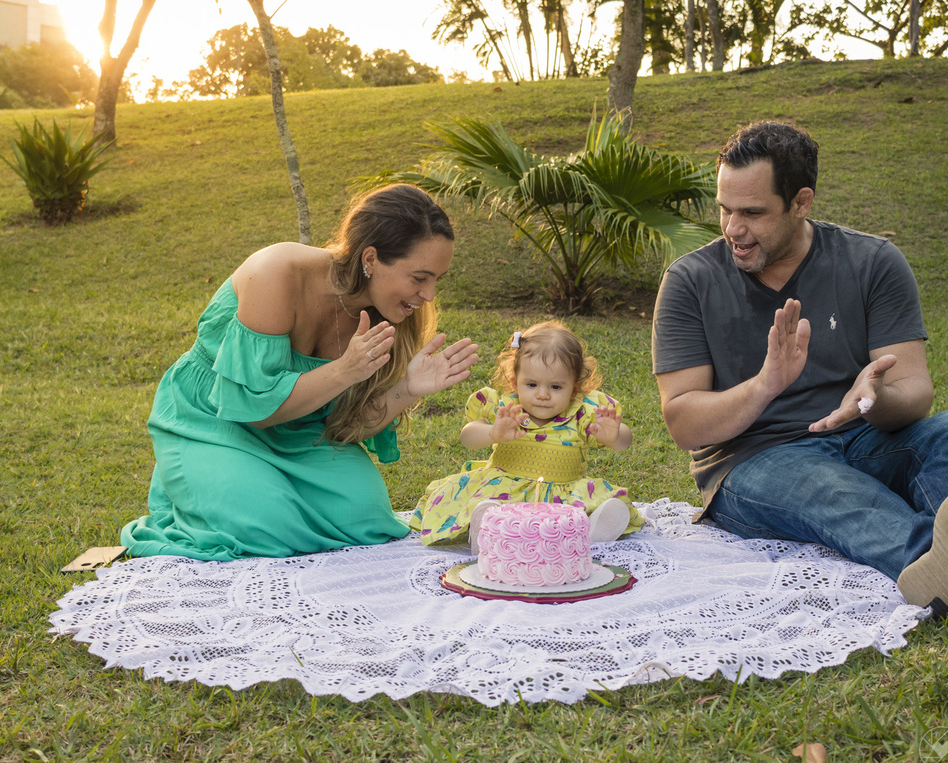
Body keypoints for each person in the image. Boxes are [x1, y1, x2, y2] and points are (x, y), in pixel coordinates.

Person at [650, 121, 948, 634]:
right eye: (725, 209)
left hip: (868, 436)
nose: (733, 228)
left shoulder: (871, 262)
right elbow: (684, 423)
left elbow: (915, 390)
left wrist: (873, 399)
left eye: (752, 213)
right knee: (837, 495)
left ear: (801, 202)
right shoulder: (690, 282)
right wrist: (766, 384)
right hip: (757, 457)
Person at [121, 184, 479, 560]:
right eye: (420, 278)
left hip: (298, 432)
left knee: (366, 515)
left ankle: (236, 488)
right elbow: (255, 412)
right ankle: (186, 480)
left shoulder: (391, 310)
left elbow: (345, 427)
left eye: (438, 279)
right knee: (261, 525)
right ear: (370, 259)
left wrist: (409, 387)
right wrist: (344, 370)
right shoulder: (276, 274)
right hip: (212, 420)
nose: (429, 295)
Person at [410, 320, 644, 546]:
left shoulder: (582, 415)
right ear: (514, 382)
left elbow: (625, 442)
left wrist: (614, 436)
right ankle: (488, 532)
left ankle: (591, 531)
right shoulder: (506, 410)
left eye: (555, 386)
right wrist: (493, 432)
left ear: (575, 388)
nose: (543, 394)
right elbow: (467, 437)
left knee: (586, 510)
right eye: (532, 385)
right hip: (505, 492)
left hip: (563, 495)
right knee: (486, 505)